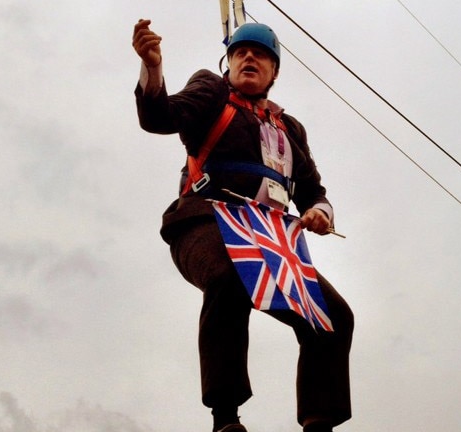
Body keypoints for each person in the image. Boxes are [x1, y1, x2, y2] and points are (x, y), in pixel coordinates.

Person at [132, 19, 354, 432]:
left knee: (334, 317)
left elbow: (313, 190)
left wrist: (321, 211)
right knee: (229, 277)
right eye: (241, 52)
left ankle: (319, 421)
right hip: (205, 221)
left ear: (274, 72)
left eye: (261, 54)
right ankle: (226, 418)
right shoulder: (212, 92)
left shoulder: (289, 129)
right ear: (229, 62)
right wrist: (152, 68)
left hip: (269, 239)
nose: (249, 57)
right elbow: (160, 116)